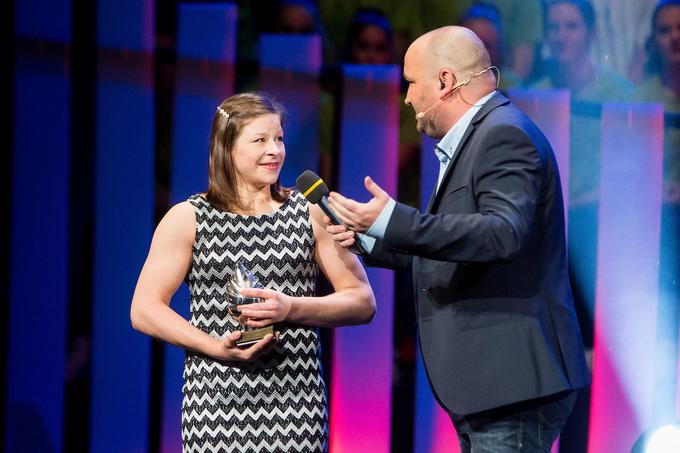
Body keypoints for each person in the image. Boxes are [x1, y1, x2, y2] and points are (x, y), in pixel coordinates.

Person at [325, 26, 589, 451]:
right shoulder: (483, 135)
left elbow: (502, 235)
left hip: (513, 385)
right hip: (494, 388)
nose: (407, 97)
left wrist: (393, 218)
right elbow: (457, 248)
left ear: (445, 82)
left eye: (411, 83)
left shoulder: (503, 134)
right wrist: (370, 238)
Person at [130, 92, 375, 452]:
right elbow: (144, 309)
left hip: (295, 403)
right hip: (214, 405)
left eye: (278, 138)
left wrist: (291, 307)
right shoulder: (189, 218)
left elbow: (362, 302)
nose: (274, 150)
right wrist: (215, 347)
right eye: (260, 140)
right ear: (226, 148)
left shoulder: (308, 212)